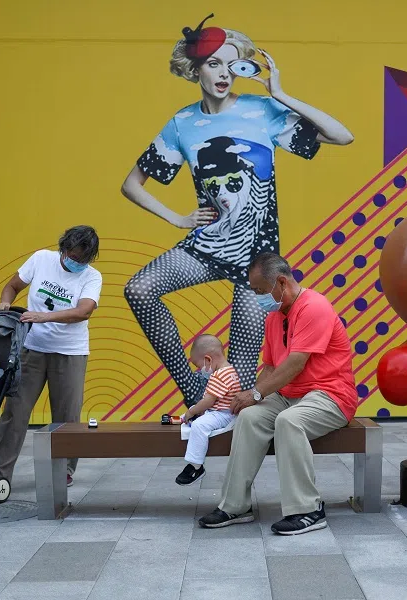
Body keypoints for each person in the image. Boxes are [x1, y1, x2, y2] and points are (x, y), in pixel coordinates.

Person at [121, 14, 354, 408]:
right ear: (196, 70)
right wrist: (178, 219)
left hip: (258, 261)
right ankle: (192, 388)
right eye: (214, 64)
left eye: (232, 65)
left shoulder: (262, 111)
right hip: (208, 245)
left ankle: (228, 437)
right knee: (139, 289)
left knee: (243, 384)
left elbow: (341, 135)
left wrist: (281, 95)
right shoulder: (183, 123)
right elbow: (131, 185)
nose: (224, 73)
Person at [197, 252, 358, 535]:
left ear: (281, 282)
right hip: (289, 396)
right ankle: (235, 506)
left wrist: (256, 394)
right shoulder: (275, 316)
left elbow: (296, 363)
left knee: (289, 422)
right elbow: (271, 368)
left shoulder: (314, 306)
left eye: (260, 290)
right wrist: (248, 397)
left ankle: (308, 509)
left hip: (330, 395)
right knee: (249, 418)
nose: (258, 297)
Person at [0, 225, 103, 488]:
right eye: (72, 256)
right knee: (15, 410)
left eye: (82, 259)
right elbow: (12, 285)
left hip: (70, 352)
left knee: (66, 416)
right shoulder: (42, 259)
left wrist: (43, 316)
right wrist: (5, 303)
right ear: (62, 248)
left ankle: (64, 470)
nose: (76, 262)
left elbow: (83, 312)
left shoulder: (92, 277)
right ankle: (0, 471)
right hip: (32, 348)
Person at [176, 334, 241, 486]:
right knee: (198, 420)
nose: (201, 371)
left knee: (199, 425)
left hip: (223, 414)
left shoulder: (219, 375)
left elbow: (208, 401)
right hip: (225, 412)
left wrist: (192, 411)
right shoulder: (230, 370)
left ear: (208, 359)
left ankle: (195, 466)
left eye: (200, 367)